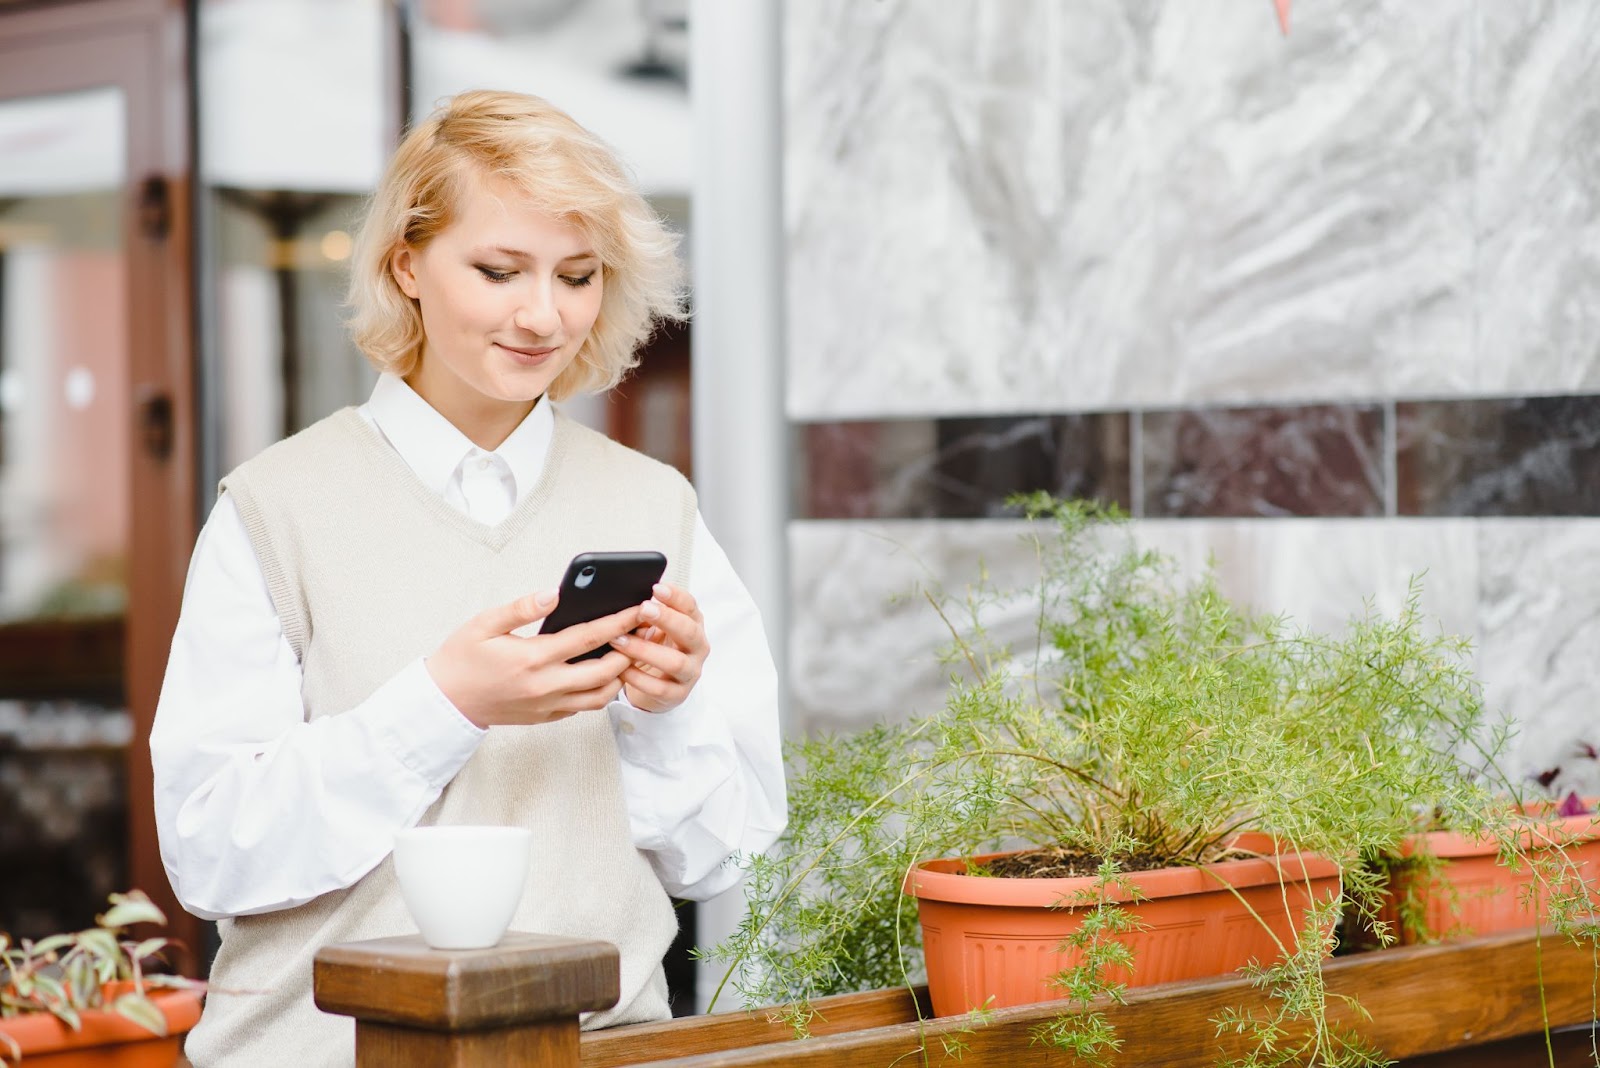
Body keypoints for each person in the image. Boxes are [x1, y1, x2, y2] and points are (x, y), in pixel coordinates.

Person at [149, 89, 787, 1066]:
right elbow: (208, 850)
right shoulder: (274, 508)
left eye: (577, 275)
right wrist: (446, 706)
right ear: (406, 262)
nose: (544, 315)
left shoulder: (655, 506)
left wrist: (668, 712)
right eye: (499, 270)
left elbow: (717, 855)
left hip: (602, 1050)